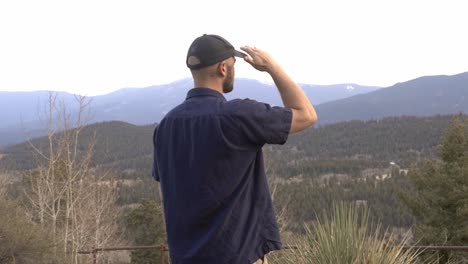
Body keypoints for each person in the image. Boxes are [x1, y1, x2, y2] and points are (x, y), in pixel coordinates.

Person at [152, 34, 317, 264]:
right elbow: (306, 115)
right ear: (222, 68)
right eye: (233, 65)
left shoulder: (165, 126)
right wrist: (272, 66)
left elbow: (166, 190)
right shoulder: (238, 115)